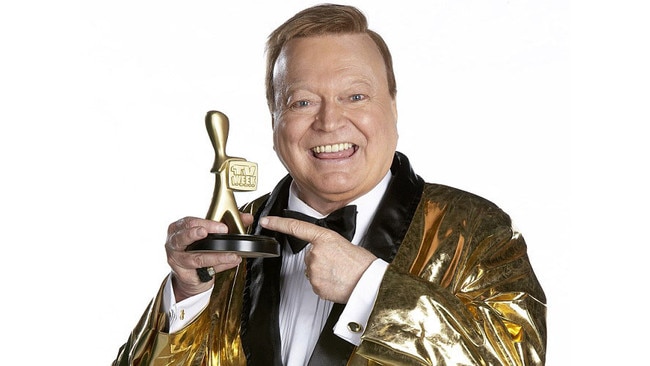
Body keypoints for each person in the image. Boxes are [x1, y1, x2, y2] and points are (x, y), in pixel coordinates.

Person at [113, 4, 547, 365]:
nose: (329, 121)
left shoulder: (476, 230)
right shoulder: (234, 237)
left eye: (355, 96)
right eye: (302, 102)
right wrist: (188, 294)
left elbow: (517, 357)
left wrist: (371, 288)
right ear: (275, 117)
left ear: (392, 106)